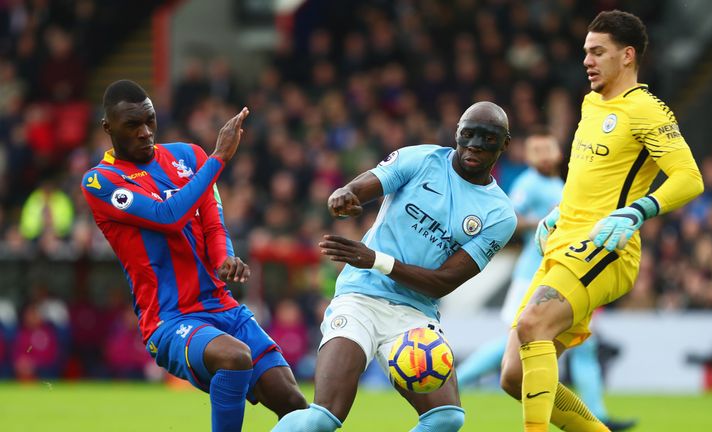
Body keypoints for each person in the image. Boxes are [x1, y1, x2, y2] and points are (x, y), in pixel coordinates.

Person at [499, 10, 704, 432]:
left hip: (605, 245)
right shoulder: (592, 104)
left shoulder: (647, 109)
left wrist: (637, 211)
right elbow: (590, 176)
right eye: (585, 52)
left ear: (627, 56)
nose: (587, 61)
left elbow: (689, 177)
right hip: (563, 242)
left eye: (598, 52)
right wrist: (558, 213)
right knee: (514, 377)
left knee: (533, 324)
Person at [271, 101, 518, 432]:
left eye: (487, 138)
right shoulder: (420, 159)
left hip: (414, 315)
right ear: (457, 133)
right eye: (468, 134)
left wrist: (375, 260)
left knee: (447, 417)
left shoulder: (500, 215)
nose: (474, 145)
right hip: (360, 297)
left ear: (504, 144)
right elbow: (359, 188)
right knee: (323, 417)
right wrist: (343, 196)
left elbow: (443, 282)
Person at [81, 80, 307, 432]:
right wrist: (219, 158)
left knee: (295, 405)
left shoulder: (188, 157)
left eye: (150, 121)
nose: (144, 132)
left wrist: (224, 258)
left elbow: (214, 226)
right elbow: (167, 216)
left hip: (221, 306)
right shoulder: (100, 182)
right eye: (132, 125)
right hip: (169, 319)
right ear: (108, 128)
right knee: (234, 358)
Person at [457, 130, 636, 430]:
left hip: (567, 271)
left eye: (546, 148)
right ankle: (455, 383)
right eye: (534, 150)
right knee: (515, 345)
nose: (541, 155)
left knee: (581, 346)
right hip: (533, 273)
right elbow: (511, 218)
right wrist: (546, 222)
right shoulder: (529, 183)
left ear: (558, 153)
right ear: (527, 156)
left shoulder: (561, 185)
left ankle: (597, 414)